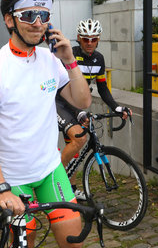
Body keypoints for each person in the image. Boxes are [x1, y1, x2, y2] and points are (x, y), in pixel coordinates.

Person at [0, 0, 91, 248]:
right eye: (28, 15)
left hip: (50, 172)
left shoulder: (52, 62)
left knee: (74, 242)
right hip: (15, 181)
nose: (38, 23)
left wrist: (70, 60)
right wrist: (0, 188)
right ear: (9, 19)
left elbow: (82, 101)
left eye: (44, 15)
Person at [56, 18, 131, 201]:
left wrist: (117, 106)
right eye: (85, 39)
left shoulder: (99, 59)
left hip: (77, 106)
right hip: (59, 103)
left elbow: (103, 88)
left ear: (98, 40)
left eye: (93, 39)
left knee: (74, 148)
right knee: (78, 138)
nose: (89, 43)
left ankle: (71, 190)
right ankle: (54, 179)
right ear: (78, 39)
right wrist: (78, 111)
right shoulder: (70, 55)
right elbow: (62, 87)